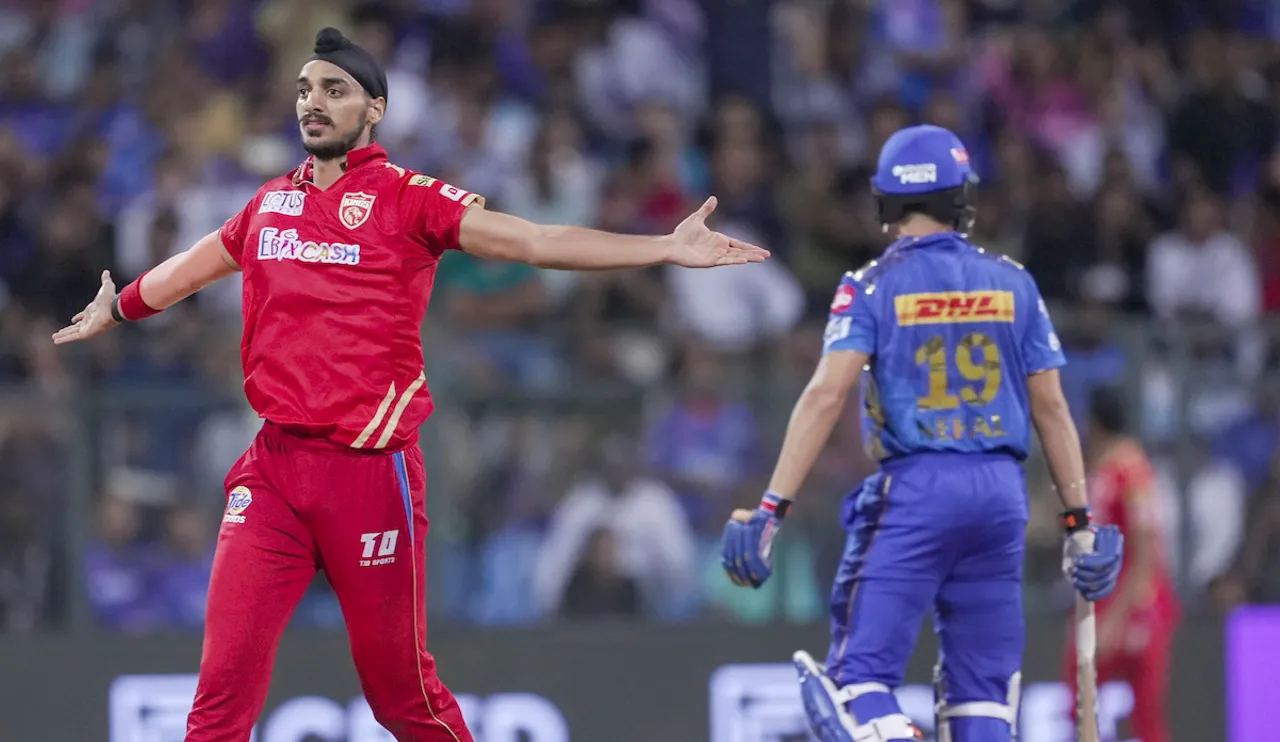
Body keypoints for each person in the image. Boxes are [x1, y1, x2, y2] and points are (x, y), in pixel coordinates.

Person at [52, 27, 767, 742]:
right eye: (305, 89)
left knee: (404, 699)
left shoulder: (407, 200)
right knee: (218, 699)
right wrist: (119, 306)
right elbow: (199, 262)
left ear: (375, 110)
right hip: (272, 470)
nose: (314, 102)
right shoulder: (270, 203)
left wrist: (665, 248)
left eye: (334, 90)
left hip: (370, 472)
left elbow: (536, 242)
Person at [718, 124, 1124, 742]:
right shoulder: (1015, 282)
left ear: (883, 202)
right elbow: (1054, 410)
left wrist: (772, 510)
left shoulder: (871, 286)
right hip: (1000, 498)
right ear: (964, 197)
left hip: (916, 492)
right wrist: (1078, 523)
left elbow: (827, 394)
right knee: (982, 698)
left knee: (856, 685)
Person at [1065, 387, 1179, 742]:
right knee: (1078, 700)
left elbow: (1146, 550)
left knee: (1145, 713)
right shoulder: (1102, 466)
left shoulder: (1131, 471)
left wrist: (1115, 617)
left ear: (1093, 421)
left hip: (1136, 602)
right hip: (1107, 598)